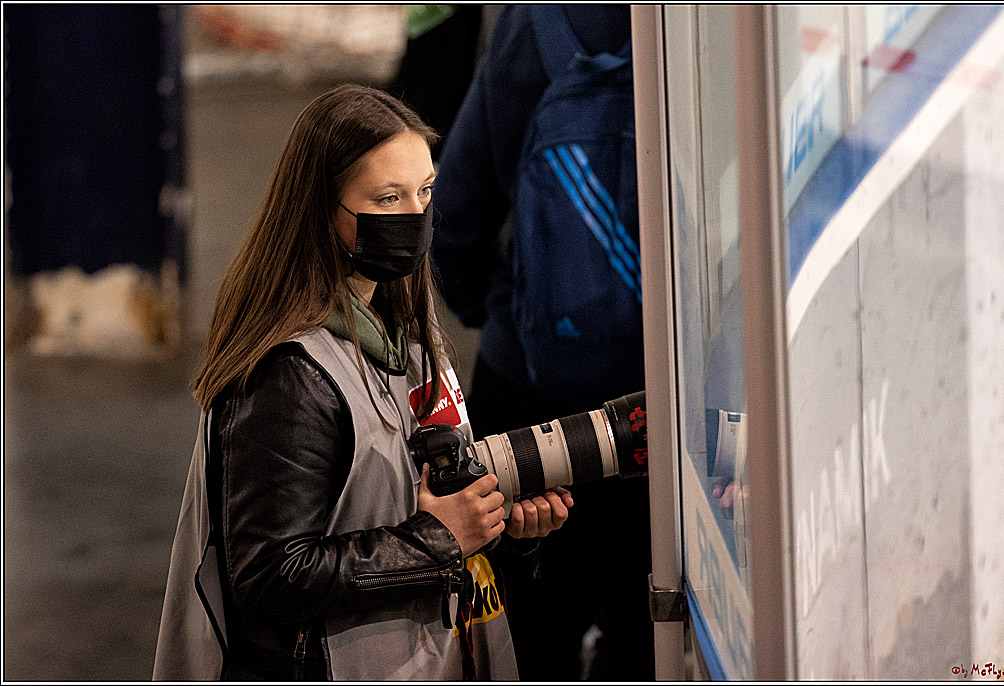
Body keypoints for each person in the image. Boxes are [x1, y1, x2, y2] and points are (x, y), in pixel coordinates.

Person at [152, 83, 572, 681]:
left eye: (424, 191)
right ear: (322, 212)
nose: (414, 218)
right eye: (386, 199)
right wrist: (437, 540)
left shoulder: (405, 329)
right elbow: (272, 574)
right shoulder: (288, 374)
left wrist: (496, 526)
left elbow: (399, 496)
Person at [430, 5, 654, 681]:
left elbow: (456, 210)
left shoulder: (541, 20)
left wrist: (498, 312)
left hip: (530, 395)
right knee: (651, 630)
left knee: (527, 629)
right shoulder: (718, 29)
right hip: (665, 406)